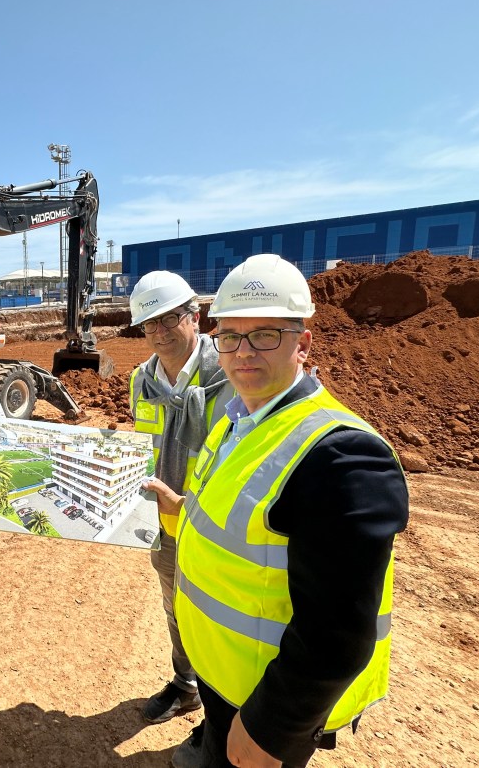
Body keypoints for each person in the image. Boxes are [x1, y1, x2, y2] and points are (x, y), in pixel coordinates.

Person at [153, 254, 409, 767]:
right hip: (222, 677)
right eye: (230, 336)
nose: (243, 352)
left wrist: (271, 730)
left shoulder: (341, 454)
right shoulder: (234, 423)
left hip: (263, 698)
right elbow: (242, 526)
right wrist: (179, 510)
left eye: (265, 335)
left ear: (303, 343)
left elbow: (337, 631)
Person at [128, 271, 234, 724]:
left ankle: (223, 710)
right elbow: (140, 447)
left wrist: (191, 506)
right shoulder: (141, 380)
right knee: (176, 608)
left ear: (195, 316)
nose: (159, 331)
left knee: (222, 615)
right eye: (149, 323)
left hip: (219, 525)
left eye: (169, 318)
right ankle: (187, 684)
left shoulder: (229, 373)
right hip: (165, 525)